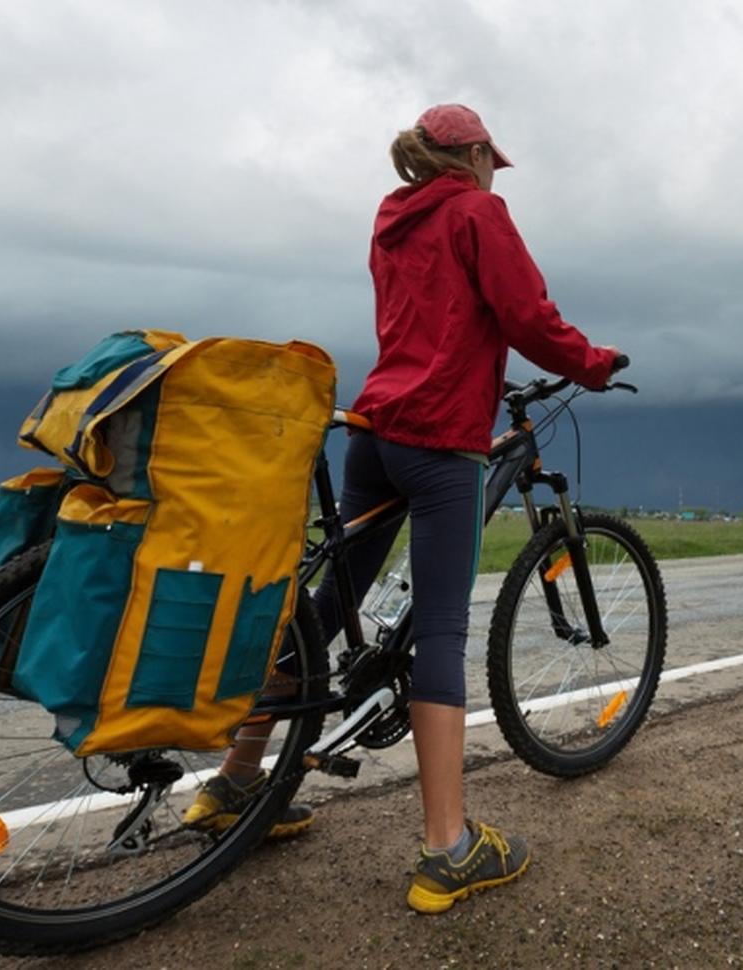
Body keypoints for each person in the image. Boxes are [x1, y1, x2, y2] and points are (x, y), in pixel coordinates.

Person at [180, 103, 622, 915]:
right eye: (494, 160)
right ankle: (448, 849)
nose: (497, 174)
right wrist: (592, 365)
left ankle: (236, 782)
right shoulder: (479, 212)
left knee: (326, 604)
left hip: (374, 428)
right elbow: (525, 315)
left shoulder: (393, 218)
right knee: (444, 631)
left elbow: (435, 319)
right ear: (477, 155)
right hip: (443, 440)